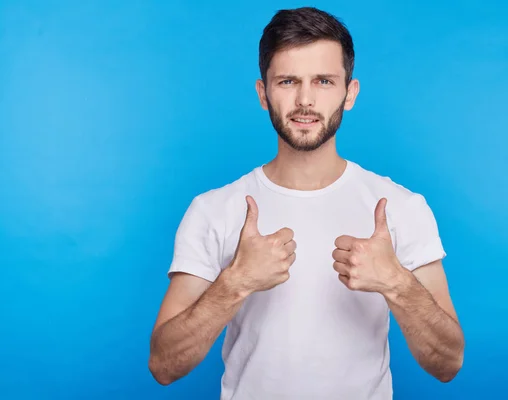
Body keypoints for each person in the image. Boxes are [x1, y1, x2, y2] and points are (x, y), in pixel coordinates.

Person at [148, 6, 464, 399]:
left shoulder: (401, 208)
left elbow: (448, 363)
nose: (305, 100)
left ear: (350, 94)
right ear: (263, 94)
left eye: (324, 81)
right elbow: (163, 365)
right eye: (287, 81)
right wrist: (236, 282)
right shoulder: (214, 210)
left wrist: (397, 283)